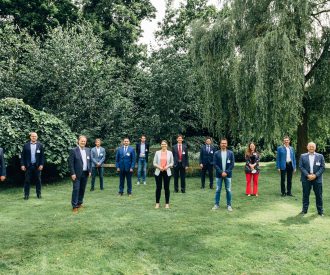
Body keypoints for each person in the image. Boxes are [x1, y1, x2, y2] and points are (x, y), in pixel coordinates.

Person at [299, 142, 325, 216]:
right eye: (310, 146)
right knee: (305, 195)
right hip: (306, 178)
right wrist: (308, 175)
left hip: (317, 179)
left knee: (319, 195)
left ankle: (320, 212)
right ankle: (304, 210)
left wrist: (315, 175)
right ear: (307, 147)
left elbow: (322, 167)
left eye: (312, 147)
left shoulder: (320, 156)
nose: (311, 148)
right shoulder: (302, 156)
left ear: (315, 148)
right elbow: (301, 167)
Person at [68, 135, 91, 213]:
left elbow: (89, 161)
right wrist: (72, 173)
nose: (83, 142)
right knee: (76, 189)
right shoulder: (73, 150)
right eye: (82, 141)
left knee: (82, 189)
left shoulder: (88, 150)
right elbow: (70, 163)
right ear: (78, 141)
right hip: (76, 174)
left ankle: (79, 203)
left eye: (84, 141)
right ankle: (74, 206)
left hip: (85, 173)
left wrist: (90, 171)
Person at [212, 138, 235, 211]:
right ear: (220, 144)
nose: (223, 144)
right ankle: (216, 204)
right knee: (218, 189)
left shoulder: (230, 153)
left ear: (227, 144)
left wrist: (226, 172)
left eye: (225, 143)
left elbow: (232, 164)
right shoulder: (216, 153)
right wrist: (221, 172)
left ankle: (229, 205)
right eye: (222, 143)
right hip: (219, 175)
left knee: (228, 190)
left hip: (228, 175)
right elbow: (215, 164)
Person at [20, 132, 45, 200]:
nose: (34, 137)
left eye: (35, 136)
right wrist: (22, 165)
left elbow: (42, 156)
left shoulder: (40, 145)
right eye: (32, 136)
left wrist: (41, 164)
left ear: (37, 137)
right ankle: (26, 195)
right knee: (27, 181)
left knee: (38, 180)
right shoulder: (26, 145)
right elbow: (22, 156)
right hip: (28, 166)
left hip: (37, 166)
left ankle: (39, 194)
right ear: (30, 137)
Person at [153, 140, 174, 209]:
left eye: (165, 144)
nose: (163, 145)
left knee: (166, 188)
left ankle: (167, 203)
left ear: (167, 145)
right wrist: (159, 167)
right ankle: (157, 203)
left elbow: (172, 163)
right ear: (161, 145)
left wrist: (167, 167)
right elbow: (154, 163)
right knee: (158, 188)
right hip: (158, 171)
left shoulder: (170, 153)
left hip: (167, 172)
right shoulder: (157, 152)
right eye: (162, 144)